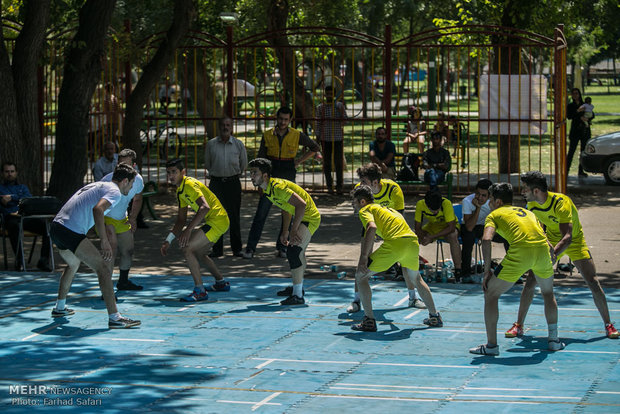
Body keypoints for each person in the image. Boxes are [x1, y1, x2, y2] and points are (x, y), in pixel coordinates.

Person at [504, 171, 619, 339]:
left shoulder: (561, 203)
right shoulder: (532, 206)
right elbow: (538, 230)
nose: (522, 192)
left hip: (574, 242)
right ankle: (518, 325)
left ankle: (608, 324)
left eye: (525, 189)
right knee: (530, 282)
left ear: (536, 191)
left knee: (592, 281)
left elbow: (567, 237)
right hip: (551, 240)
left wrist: (552, 255)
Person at [469, 182, 563, 355]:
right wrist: (551, 253)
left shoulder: (494, 214)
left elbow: (487, 239)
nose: (488, 203)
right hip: (542, 250)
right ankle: (554, 340)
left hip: (521, 251)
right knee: (548, 294)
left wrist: (487, 270)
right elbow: (542, 235)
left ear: (497, 201)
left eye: (490, 199)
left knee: (490, 293)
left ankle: (491, 346)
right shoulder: (527, 212)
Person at [50, 163, 141, 329]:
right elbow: (98, 210)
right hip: (70, 231)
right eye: (132, 183)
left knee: (73, 263)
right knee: (103, 270)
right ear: (125, 181)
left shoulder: (98, 185)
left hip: (56, 228)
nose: (132, 188)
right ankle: (115, 318)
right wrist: (104, 241)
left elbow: (93, 211)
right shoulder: (115, 192)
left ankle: (59, 308)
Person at [349, 185, 442, 332]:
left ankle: (369, 320)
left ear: (362, 202)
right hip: (411, 242)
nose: (353, 205)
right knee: (417, 279)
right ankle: (434, 316)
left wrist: (363, 257)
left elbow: (371, 228)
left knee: (360, 276)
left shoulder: (365, 210)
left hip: (395, 244)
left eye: (354, 202)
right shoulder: (388, 209)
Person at [346, 163, 425, 313]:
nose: (360, 185)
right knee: (363, 261)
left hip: (391, 228)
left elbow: (399, 216)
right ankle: (357, 300)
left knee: (405, 261)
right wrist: (372, 236)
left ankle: (413, 297)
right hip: (371, 226)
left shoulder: (393, 189)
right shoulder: (361, 191)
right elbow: (362, 215)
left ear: (375, 182)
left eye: (364, 182)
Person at [242, 107, 319, 259]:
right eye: (280, 119)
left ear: (290, 120)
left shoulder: (297, 135)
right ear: (276, 118)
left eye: (286, 119)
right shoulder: (268, 135)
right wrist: (259, 182)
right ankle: (251, 248)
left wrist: (298, 161)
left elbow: (315, 148)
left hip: (288, 173)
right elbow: (260, 157)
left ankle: (282, 247)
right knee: (261, 213)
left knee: (288, 212)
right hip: (270, 175)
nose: (283, 122)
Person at [247, 158, 321, 305]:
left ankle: (298, 296)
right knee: (297, 253)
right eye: (251, 173)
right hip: (302, 217)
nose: (251, 176)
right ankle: (296, 288)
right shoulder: (268, 189)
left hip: (310, 218)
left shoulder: (278, 187)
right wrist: (285, 231)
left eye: (255, 173)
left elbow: (301, 205)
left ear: (265, 175)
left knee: (293, 251)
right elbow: (286, 208)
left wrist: (293, 230)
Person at [160, 158, 231, 302]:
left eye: (174, 172)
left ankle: (200, 291)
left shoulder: (190, 185)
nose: (171, 176)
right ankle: (221, 283)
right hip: (216, 220)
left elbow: (205, 207)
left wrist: (188, 231)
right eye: (168, 173)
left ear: (183, 172)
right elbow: (180, 221)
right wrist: (168, 240)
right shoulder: (181, 191)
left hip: (218, 220)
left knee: (187, 248)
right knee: (198, 252)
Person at [100, 149, 145, 290]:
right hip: (107, 218)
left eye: (127, 165)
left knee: (128, 250)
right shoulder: (108, 180)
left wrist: (133, 218)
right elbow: (97, 207)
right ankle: (106, 288)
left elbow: (138, 198)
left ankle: (123, 282)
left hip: (122, 218)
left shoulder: (137, 180)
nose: (123, 168)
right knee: (111, 250)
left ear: (134, 165)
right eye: (121, 165)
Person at [204, 116, 247, 258]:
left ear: (232, 127)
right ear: (219, 127)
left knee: (234, 217)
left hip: (233, 183)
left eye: (228, 125)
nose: (225, 127)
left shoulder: (238, 144)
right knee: (216, 217)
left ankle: (237, 249)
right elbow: (208, 164)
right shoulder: (211, 144)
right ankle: (217, 249)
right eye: (223, 125)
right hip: (216, 183)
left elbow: (243, 164)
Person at [0, 162, 52, 271]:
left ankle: (43, 260)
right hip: (9, 219)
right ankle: (19, 261)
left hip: (25, 217)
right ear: (2, 173)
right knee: (14, 227)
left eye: (12, 171)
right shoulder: (1, 188)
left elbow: (27, 199)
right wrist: (17, 199)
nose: (10, 174)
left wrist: (11, 198)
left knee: (47, 227)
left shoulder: (22, 187)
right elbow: (4, 201)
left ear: (16, 173)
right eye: (7, 172)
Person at [460, 179, 509, 283]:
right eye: (478, 194)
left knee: (508, 237)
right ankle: (465, 274)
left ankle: (512, 271)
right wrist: (478, 208)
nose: (480, 198)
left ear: (490, 196)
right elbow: (469, 227)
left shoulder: (494, 202)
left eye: (483, 195)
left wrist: (491, 233)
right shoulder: (467, 201)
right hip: (471, 227)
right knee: (468, 237)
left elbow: (500, 221)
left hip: (487, 226)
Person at [414, 190, 462, 281]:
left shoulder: (446, 204)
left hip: (448, 227)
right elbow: (417, 228)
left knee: (453, 236)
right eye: (433, 210)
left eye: (437, 209)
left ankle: (458, 270)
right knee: (412, 238)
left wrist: (431, 238)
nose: (435, 212)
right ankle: (409, 267)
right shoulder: (420, 204)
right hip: (433, 226)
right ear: (427, 205)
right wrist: (423, 238)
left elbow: (451, 227)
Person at [316, 85, 347, 194]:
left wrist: (340, 113)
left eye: (331, 94)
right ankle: (329, 186)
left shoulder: (339, 106)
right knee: (327, 163)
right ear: (325, 94)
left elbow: (344, 121)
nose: (329, 96)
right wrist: (317, 138)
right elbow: (318, 123)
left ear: (334, 94)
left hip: (337, 138)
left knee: (338, 163)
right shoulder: (321, 107)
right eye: (327, 93)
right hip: (325, 139)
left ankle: (339, 186)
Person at [566, 88, 592, 178]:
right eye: (573, 94)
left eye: (576, 93)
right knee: (571, 151)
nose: (575, 95)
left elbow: (591, 114)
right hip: (575, 131)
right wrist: (578, 112)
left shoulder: (584, 104)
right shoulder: (570, 106)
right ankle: (566, 170)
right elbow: (569, 116)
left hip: (584, 130)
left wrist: (587, 119)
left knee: (582, 152)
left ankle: (581, 171)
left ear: (579, 94)